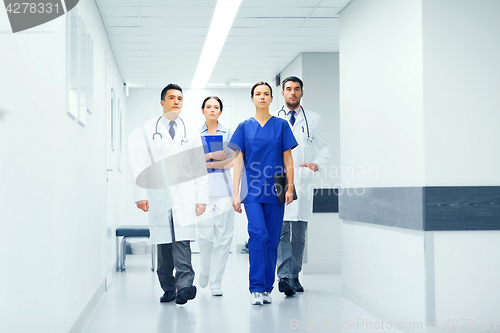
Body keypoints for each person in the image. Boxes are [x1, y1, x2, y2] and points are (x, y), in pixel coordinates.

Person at [128, 83, 209, 305]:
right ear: (162, 102)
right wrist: (140, 194)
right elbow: (139, 164)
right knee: (164, 243)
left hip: (184, 193)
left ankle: (185, 286)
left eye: (180, 98)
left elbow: (199, 166)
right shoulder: (147, 130)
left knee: (182, 240)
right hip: (158, 192)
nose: (176, 101)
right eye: (172, 98)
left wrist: (201, 198)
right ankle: (168, 287)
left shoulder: (191, 131)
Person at [229, 81, 298, 305]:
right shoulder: (243, 127)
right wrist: (235, 192)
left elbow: (288, 159)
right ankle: (256, 288)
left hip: (277, 186)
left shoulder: (281, 125)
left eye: (266, 94)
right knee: (258, 234)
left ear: (271, 98)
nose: (262, 97)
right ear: (252, 98)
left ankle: (267, 288)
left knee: (271, 240)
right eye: (258, 94)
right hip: (251, 189)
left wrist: (290, 187)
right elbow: (238, 162)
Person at [273, 76, 331, 296]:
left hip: (304, 178)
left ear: (301, 92)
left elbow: (326, 147)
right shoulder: (274, 119)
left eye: (296, 89)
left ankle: (295, 274)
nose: (292, 93)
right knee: (281, 231)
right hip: (279, 178)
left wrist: (316, 164)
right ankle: (285, 276)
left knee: (299, 234)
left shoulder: (313, 119)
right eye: (288, 89)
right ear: (283, 93)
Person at [196, 96, 236, 296]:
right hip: (202, 192)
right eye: (209, 107)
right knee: (204, 237)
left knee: (223, 239)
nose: (212, 110)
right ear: (203, 110)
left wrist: (206, 161)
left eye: (216, 107)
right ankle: (205, 270)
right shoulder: (195, 135)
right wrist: (211, 157)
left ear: (220, 111)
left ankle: (216, 282)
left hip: (224, 192)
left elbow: (233, 162)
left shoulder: (228, 133)